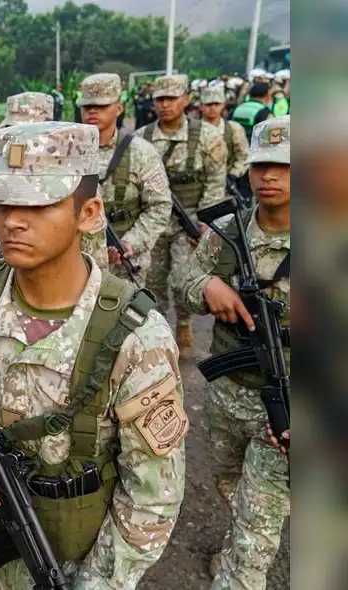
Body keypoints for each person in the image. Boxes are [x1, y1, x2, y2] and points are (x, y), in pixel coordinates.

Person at [0, 121, 187, 589]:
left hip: (79, 559)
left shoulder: (136, 337)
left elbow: (152, 494)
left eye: (39, 204)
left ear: (88, 214)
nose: (14, 221)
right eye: (5, 203)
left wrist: (97, 583)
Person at [178, 117, 291, 589]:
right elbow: (184, 281)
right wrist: (208, 288)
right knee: (229, 481)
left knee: (252, 535)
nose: (269, 177)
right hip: (226, 393)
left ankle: (247, 551)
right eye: (261, 166)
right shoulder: (226, 230)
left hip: (285, 402)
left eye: (283, 167)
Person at [135, 74, 227, 359]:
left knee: (182, 280)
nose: (164, 105)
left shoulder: (208, 137)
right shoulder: (142, 138)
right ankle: (157, 331)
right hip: (153, 224)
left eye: (171, 99)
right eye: (159, 100)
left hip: (188, 223)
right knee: (151, 283)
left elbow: (215, 181)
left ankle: (184, 323)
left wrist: (203, 221)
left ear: (186, 99)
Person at [0, 92, 108, 273]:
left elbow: (95, 255)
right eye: (12, 130)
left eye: (30, 133)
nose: (21, 141)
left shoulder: (73, 184)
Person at [80, 73, 171, 287]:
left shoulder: (141, 152)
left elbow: (159, 206)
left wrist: (131, 242)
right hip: (80, 263)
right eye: (87, 106)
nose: (92, 111)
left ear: (118, 109)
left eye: (101, 106)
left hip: (126, 262)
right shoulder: (67, 152)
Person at [201, 83, 251, 198]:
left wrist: (234, 174)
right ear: (201, 106)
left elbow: (243, 155)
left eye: (216, 104)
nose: (212, 108)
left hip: (226, 186)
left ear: (223, 105)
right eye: (208, 104)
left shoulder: (233, 129)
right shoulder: (192, 130)